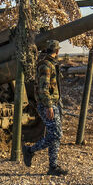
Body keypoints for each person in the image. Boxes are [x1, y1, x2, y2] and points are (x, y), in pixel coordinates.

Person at [23, 40, 67, 175]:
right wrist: (48, 106)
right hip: (48, 104)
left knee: (55, 135)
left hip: (53, 103)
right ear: (57, 51)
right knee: (56, 134)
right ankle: (30, 150)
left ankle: (53, 166)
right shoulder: (46, 66)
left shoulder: (50, 64)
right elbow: (43, 89)